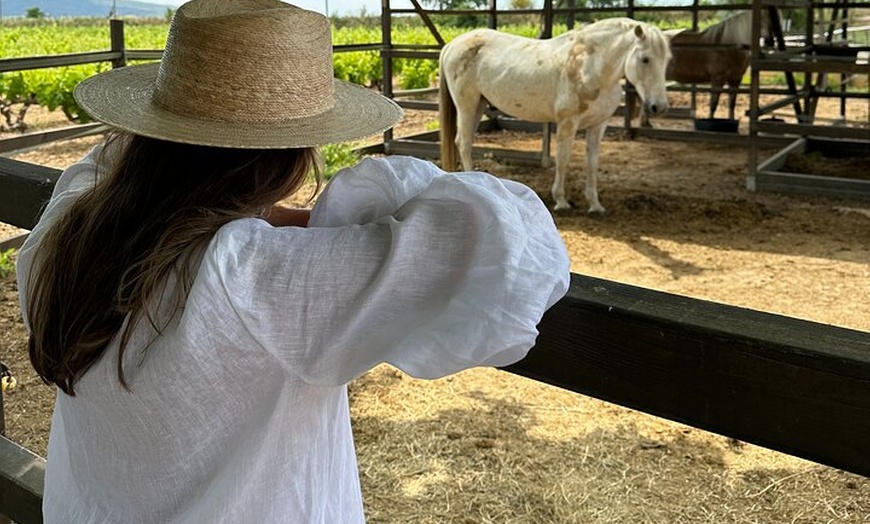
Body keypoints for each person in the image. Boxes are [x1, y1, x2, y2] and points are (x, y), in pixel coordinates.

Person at [16, 0, 570, 522]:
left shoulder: (70, 227)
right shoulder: (253, 279)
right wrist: (344, 211)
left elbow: (119, 170)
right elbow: (510, 238)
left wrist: (251, 213)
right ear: (288, 160)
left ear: (153, 134)